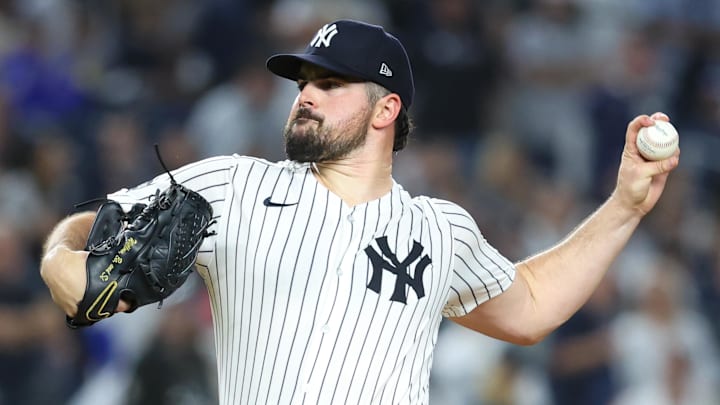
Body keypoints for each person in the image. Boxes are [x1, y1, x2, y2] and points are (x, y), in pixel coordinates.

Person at [39, 19, 680, 405]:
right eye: (303, 83)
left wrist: (625, 205)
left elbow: (532, 304)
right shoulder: (230, 185)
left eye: (329, 83)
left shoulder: (439, 228)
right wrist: (60, 257)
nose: (306, 96)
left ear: (385, 109)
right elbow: (89, 225)